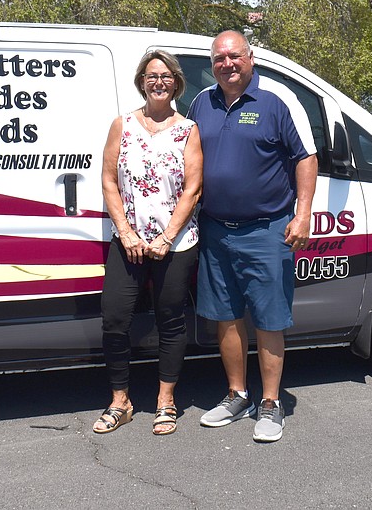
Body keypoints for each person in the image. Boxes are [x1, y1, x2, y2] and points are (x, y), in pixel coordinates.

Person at [187, 30, 317, 443]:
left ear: (250, 57)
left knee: (268, 320)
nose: (227, 64)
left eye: (234, 56)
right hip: (215, 230)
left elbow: (305, 158)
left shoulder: (277, 100)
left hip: (266, 230)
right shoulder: (200, 102)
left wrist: (303, 214)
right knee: (226, 317)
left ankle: (272, 403)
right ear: (213, 63)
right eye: (219, 58)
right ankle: (237, 394)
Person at [93, 49, 203, 436]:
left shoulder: (187, 129)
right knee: (114, 319)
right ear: (142, 81)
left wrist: (166, 237)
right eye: (152, 75)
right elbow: (108, 181)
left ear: (176, 83)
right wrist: (126, 231)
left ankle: (165, 400)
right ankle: (120, 401)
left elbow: (193, 188)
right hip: (128, 242)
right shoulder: (121, 125)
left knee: (171, 321)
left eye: (167, 76)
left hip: (175, 244)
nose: (159, 82)